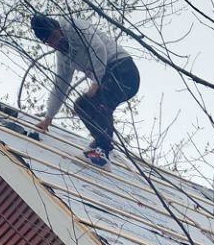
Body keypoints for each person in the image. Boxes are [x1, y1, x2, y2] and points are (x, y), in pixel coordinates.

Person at [30, 12, 141, 167]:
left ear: (58, 28)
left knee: (96, 102)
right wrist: (48, 118)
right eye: (50, 42)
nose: (56, 43)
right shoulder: (64, 57)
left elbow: (98, 47)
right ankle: (101, 143)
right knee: (83, 105)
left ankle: (103, 151)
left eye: (55, 37)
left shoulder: (73, 27)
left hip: (123, 70)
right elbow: (60, 84)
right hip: (109, 77)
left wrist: (96, 82)